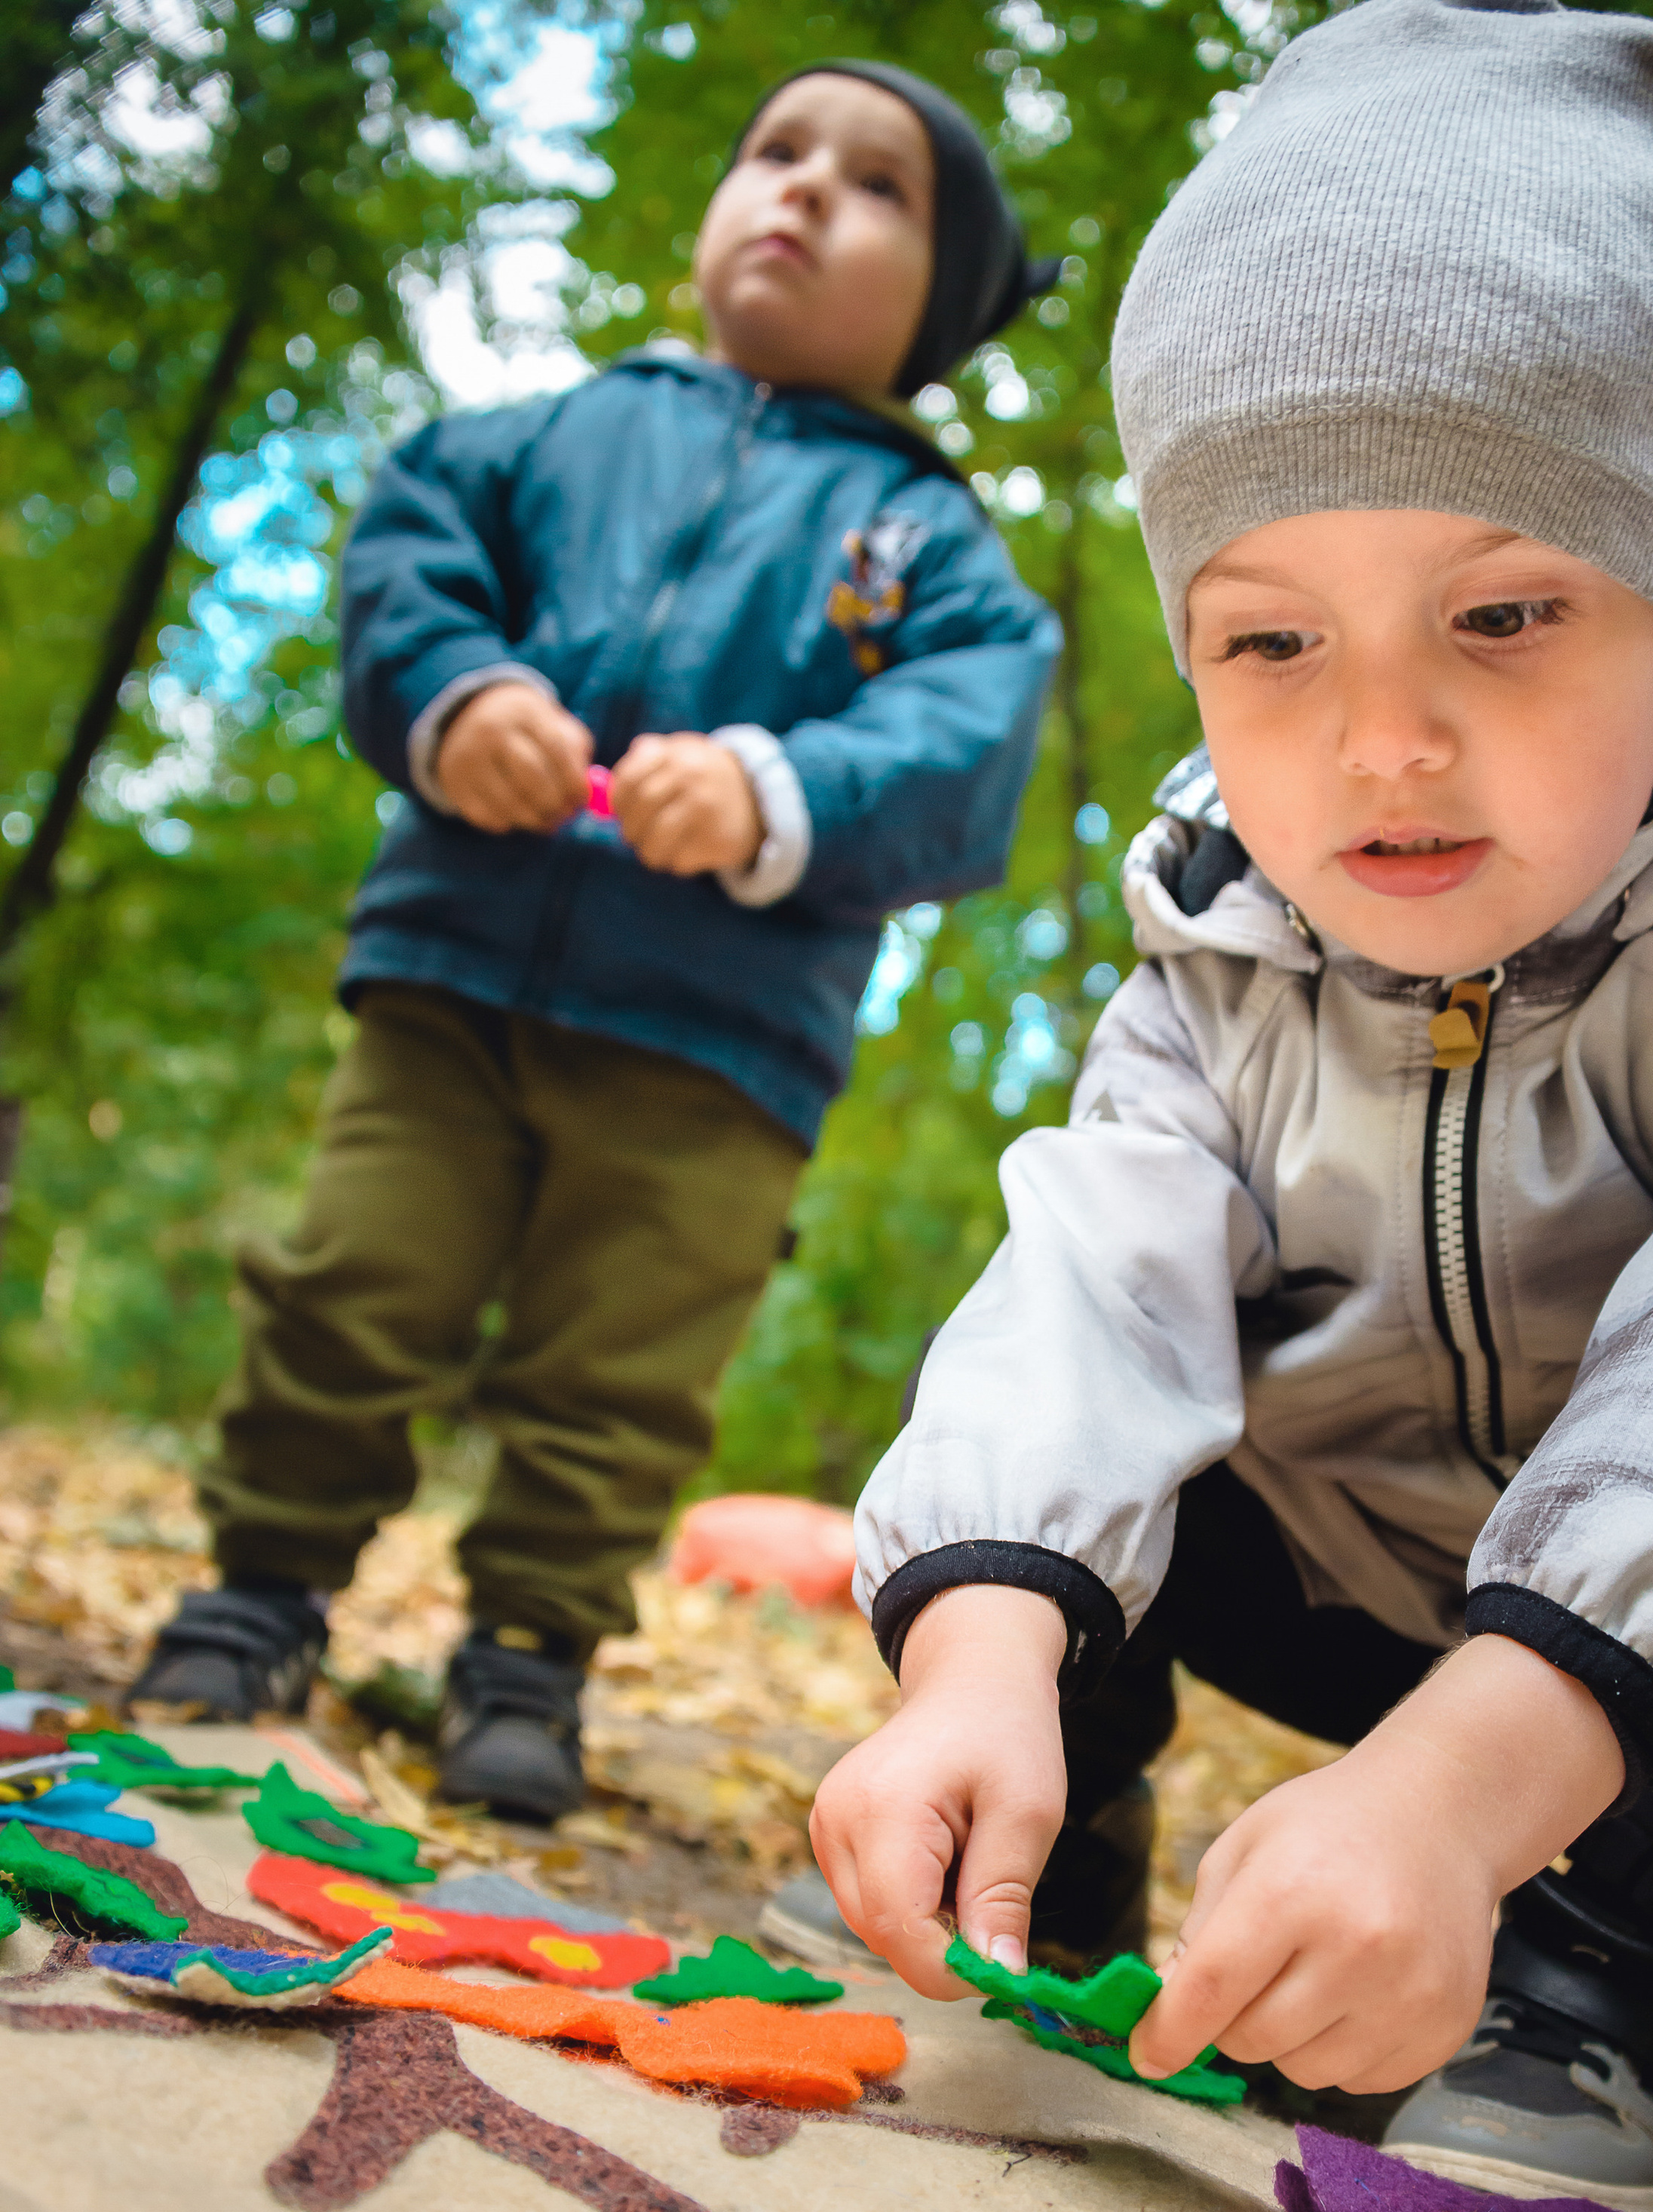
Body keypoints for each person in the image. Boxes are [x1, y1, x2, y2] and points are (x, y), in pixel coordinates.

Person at [807, 0, 1653, 2212]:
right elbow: (1085, 1302)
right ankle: (1028, 1831)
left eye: (1502, 612)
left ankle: (1602, 1982)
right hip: (1331, 1571)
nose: (1383, 739)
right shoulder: (1213, 976)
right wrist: (974, 1653)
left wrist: (1459, 1792)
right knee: (1044, 1392)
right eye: (1271, 644)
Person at [128, 62, 1061, 1820]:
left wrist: (777, 785)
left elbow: (964, 733)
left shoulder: (924, 538)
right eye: (774, 152)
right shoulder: (549, 435)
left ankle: (528, 1654)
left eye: (874, 186)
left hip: (720, 1045)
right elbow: (410, 544)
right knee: (353, 1283)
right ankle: (258, 1590)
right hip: (450, 978)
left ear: (937, 302)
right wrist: (457, 691)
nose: (802, 189)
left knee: (616, 1372)